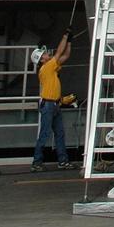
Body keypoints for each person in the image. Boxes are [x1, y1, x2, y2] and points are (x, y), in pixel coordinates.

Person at [30, 29, 74, 170]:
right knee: (46, 133)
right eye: (44, 54)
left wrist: (69, 41)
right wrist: (65, 36)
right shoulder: (47, 68)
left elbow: (65, 55)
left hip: (54, 105)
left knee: (58, 133)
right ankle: (37, 162)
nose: (47, 53)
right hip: (49, 105)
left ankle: (62, 161)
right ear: (42, 59)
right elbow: (60, 53)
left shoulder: (50, 68)